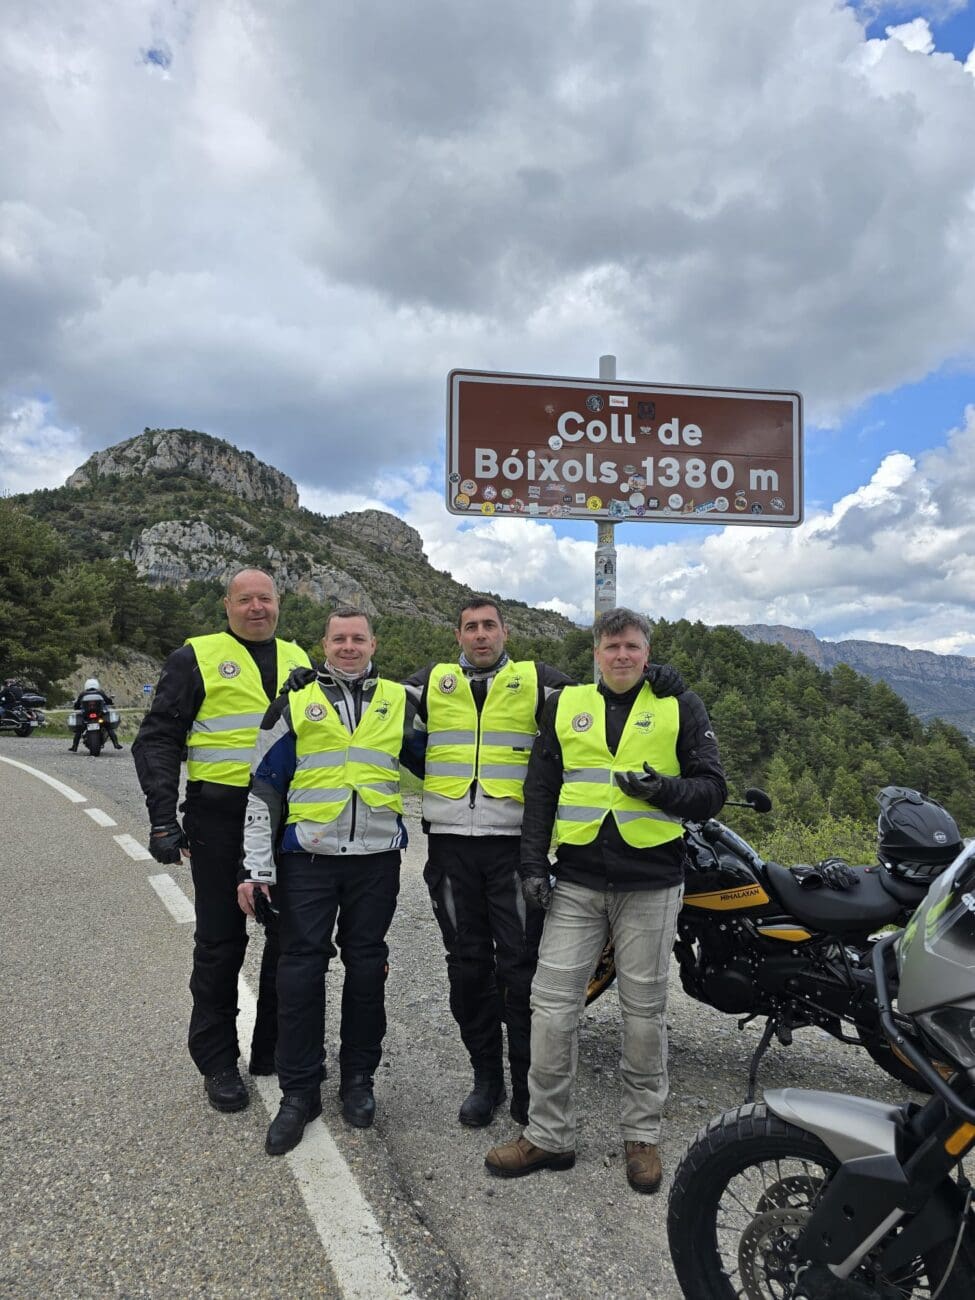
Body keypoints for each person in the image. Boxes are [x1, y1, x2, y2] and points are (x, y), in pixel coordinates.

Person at [404, 596, 684, 1130]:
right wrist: (305, 683)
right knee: (467, 969)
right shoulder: (431, 682)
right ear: (457, 635)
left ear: (505, 632)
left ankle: (527, 1089)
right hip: (449, 849)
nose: (480, 635)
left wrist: (658, 679)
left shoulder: (539, 680)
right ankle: (486, 1081)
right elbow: (370, 703)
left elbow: (606, 695)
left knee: (520, 971)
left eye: (489, 626)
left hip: (511, 849)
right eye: (470, 627)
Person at [485, 607, 726, 1194]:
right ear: (596, 653)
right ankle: (549, 1134)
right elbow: (541, 790)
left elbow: (712, 791)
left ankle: (641, 1135)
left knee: (643, 1013)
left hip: (652, 883)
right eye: (611, 646)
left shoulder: (679, 704)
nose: (621, 655)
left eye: (632, 646)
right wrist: (531, 865)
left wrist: (664, 790)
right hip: (578, 881)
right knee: (551, 1008)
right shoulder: (565, 704)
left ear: (647, 653)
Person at [238, 607, 416, 1155]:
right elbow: (264, 788)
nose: (348, 646)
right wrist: (256, 869)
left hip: (376, 860)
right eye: (339, 638)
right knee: (299, 972)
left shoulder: (401, 700)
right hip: (308, 858)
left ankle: (358, 1080)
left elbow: (454, 749)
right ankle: (299, 1092)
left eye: (358, 638)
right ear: (324, 644)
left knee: (367, 970)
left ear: (374, 645)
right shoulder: (293, 701)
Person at [132, 568, 311, 1113]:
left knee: (289, 942)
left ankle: (272, 1050)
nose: (256, 607)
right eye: (245, 599)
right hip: (219, 818)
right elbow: (158, 739)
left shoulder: (301, 658)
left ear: (278, 603)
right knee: (220, 943)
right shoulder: (196, 656)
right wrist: (162, 820)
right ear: (227, 605)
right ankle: (217, 1061)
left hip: (286, 819)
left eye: (265, 598)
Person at [69, 678, 123, 751]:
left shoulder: (83, 694)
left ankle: (74, 746)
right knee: (108, 727)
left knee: (79, 730)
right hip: (99, 715)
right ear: (97, 685)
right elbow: (107, 700)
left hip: (87, 716)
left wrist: (76, 707)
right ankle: (116, 744)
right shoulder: (100, 692)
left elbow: (77, 705)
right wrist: (110, 701)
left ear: (86, 685)